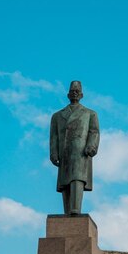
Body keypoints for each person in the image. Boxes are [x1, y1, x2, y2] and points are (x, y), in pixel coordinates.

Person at [50, 81, 100, 215]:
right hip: (64, 151)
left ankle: (75, 208)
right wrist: (53, 153)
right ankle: (67, 211)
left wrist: (91, 146)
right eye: (72, 91)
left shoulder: (90, 114)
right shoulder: (57, 116)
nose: (75, 93)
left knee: (77, 178)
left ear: (82, 95)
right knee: (65, 182)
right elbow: (54, 136)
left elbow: (94, 132)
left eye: (77, 91)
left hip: (80, 151)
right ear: (68, 94)